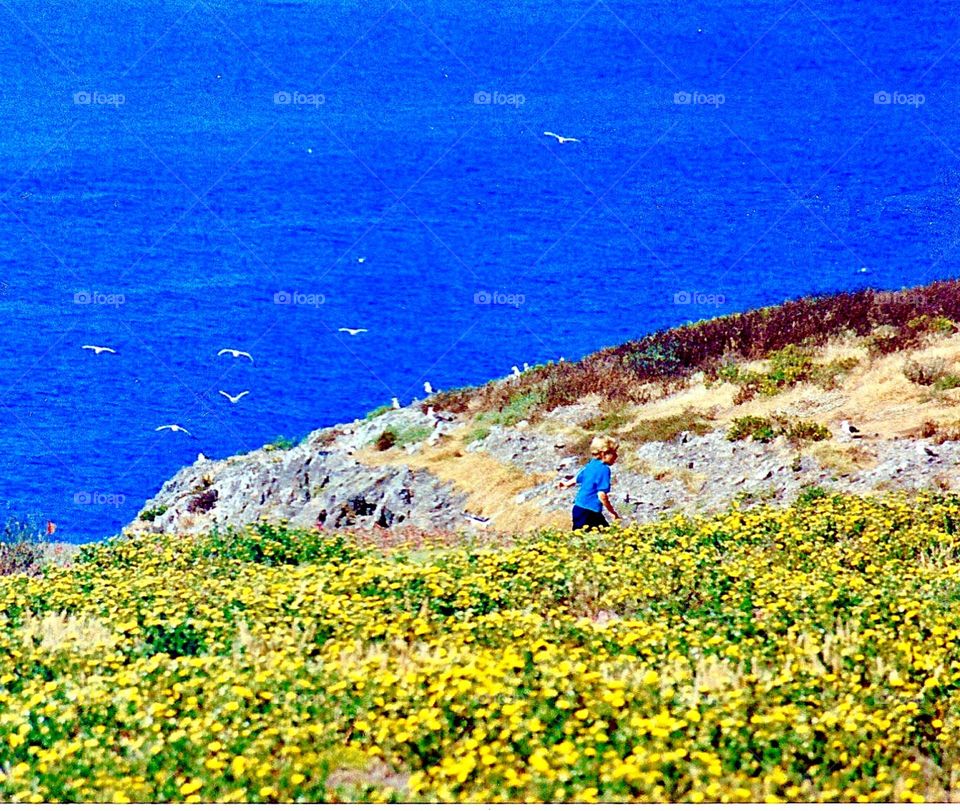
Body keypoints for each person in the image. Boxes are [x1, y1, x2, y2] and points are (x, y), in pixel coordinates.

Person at [560, 435, 621, 530]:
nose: (616, 456)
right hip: (589, 512)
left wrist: (567, 484)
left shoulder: (592, 464)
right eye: (613, 453)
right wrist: (612, 512)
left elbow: (580, 476)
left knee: (582, 536)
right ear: (603, 454)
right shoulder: (604, 469)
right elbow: (601, 495)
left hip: (578, 508)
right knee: (604, 535)